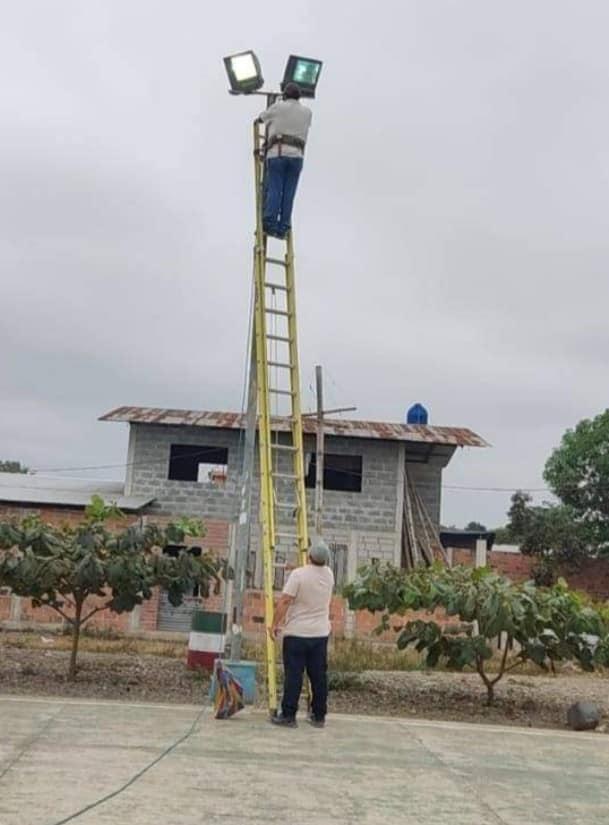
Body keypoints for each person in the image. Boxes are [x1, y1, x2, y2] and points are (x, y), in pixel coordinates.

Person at [269, 539, 334, 728]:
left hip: (296, 634)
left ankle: (289, 715)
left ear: (309, 555)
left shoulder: (298, 575)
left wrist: (274, 624)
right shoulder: (329, 575)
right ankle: (319, 716)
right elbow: (313, 574)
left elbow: (285, 601)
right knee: (318, 677)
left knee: (294, 675)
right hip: (320, 634)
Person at [258, 82, 312, 240]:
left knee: (275, 189)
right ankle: (283, 227)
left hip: (278, 154)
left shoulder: (278, 107)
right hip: (297, 158)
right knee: (289, 193)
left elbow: (261, 118)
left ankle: (270, 223)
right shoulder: (307, 113)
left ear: (285, 95)